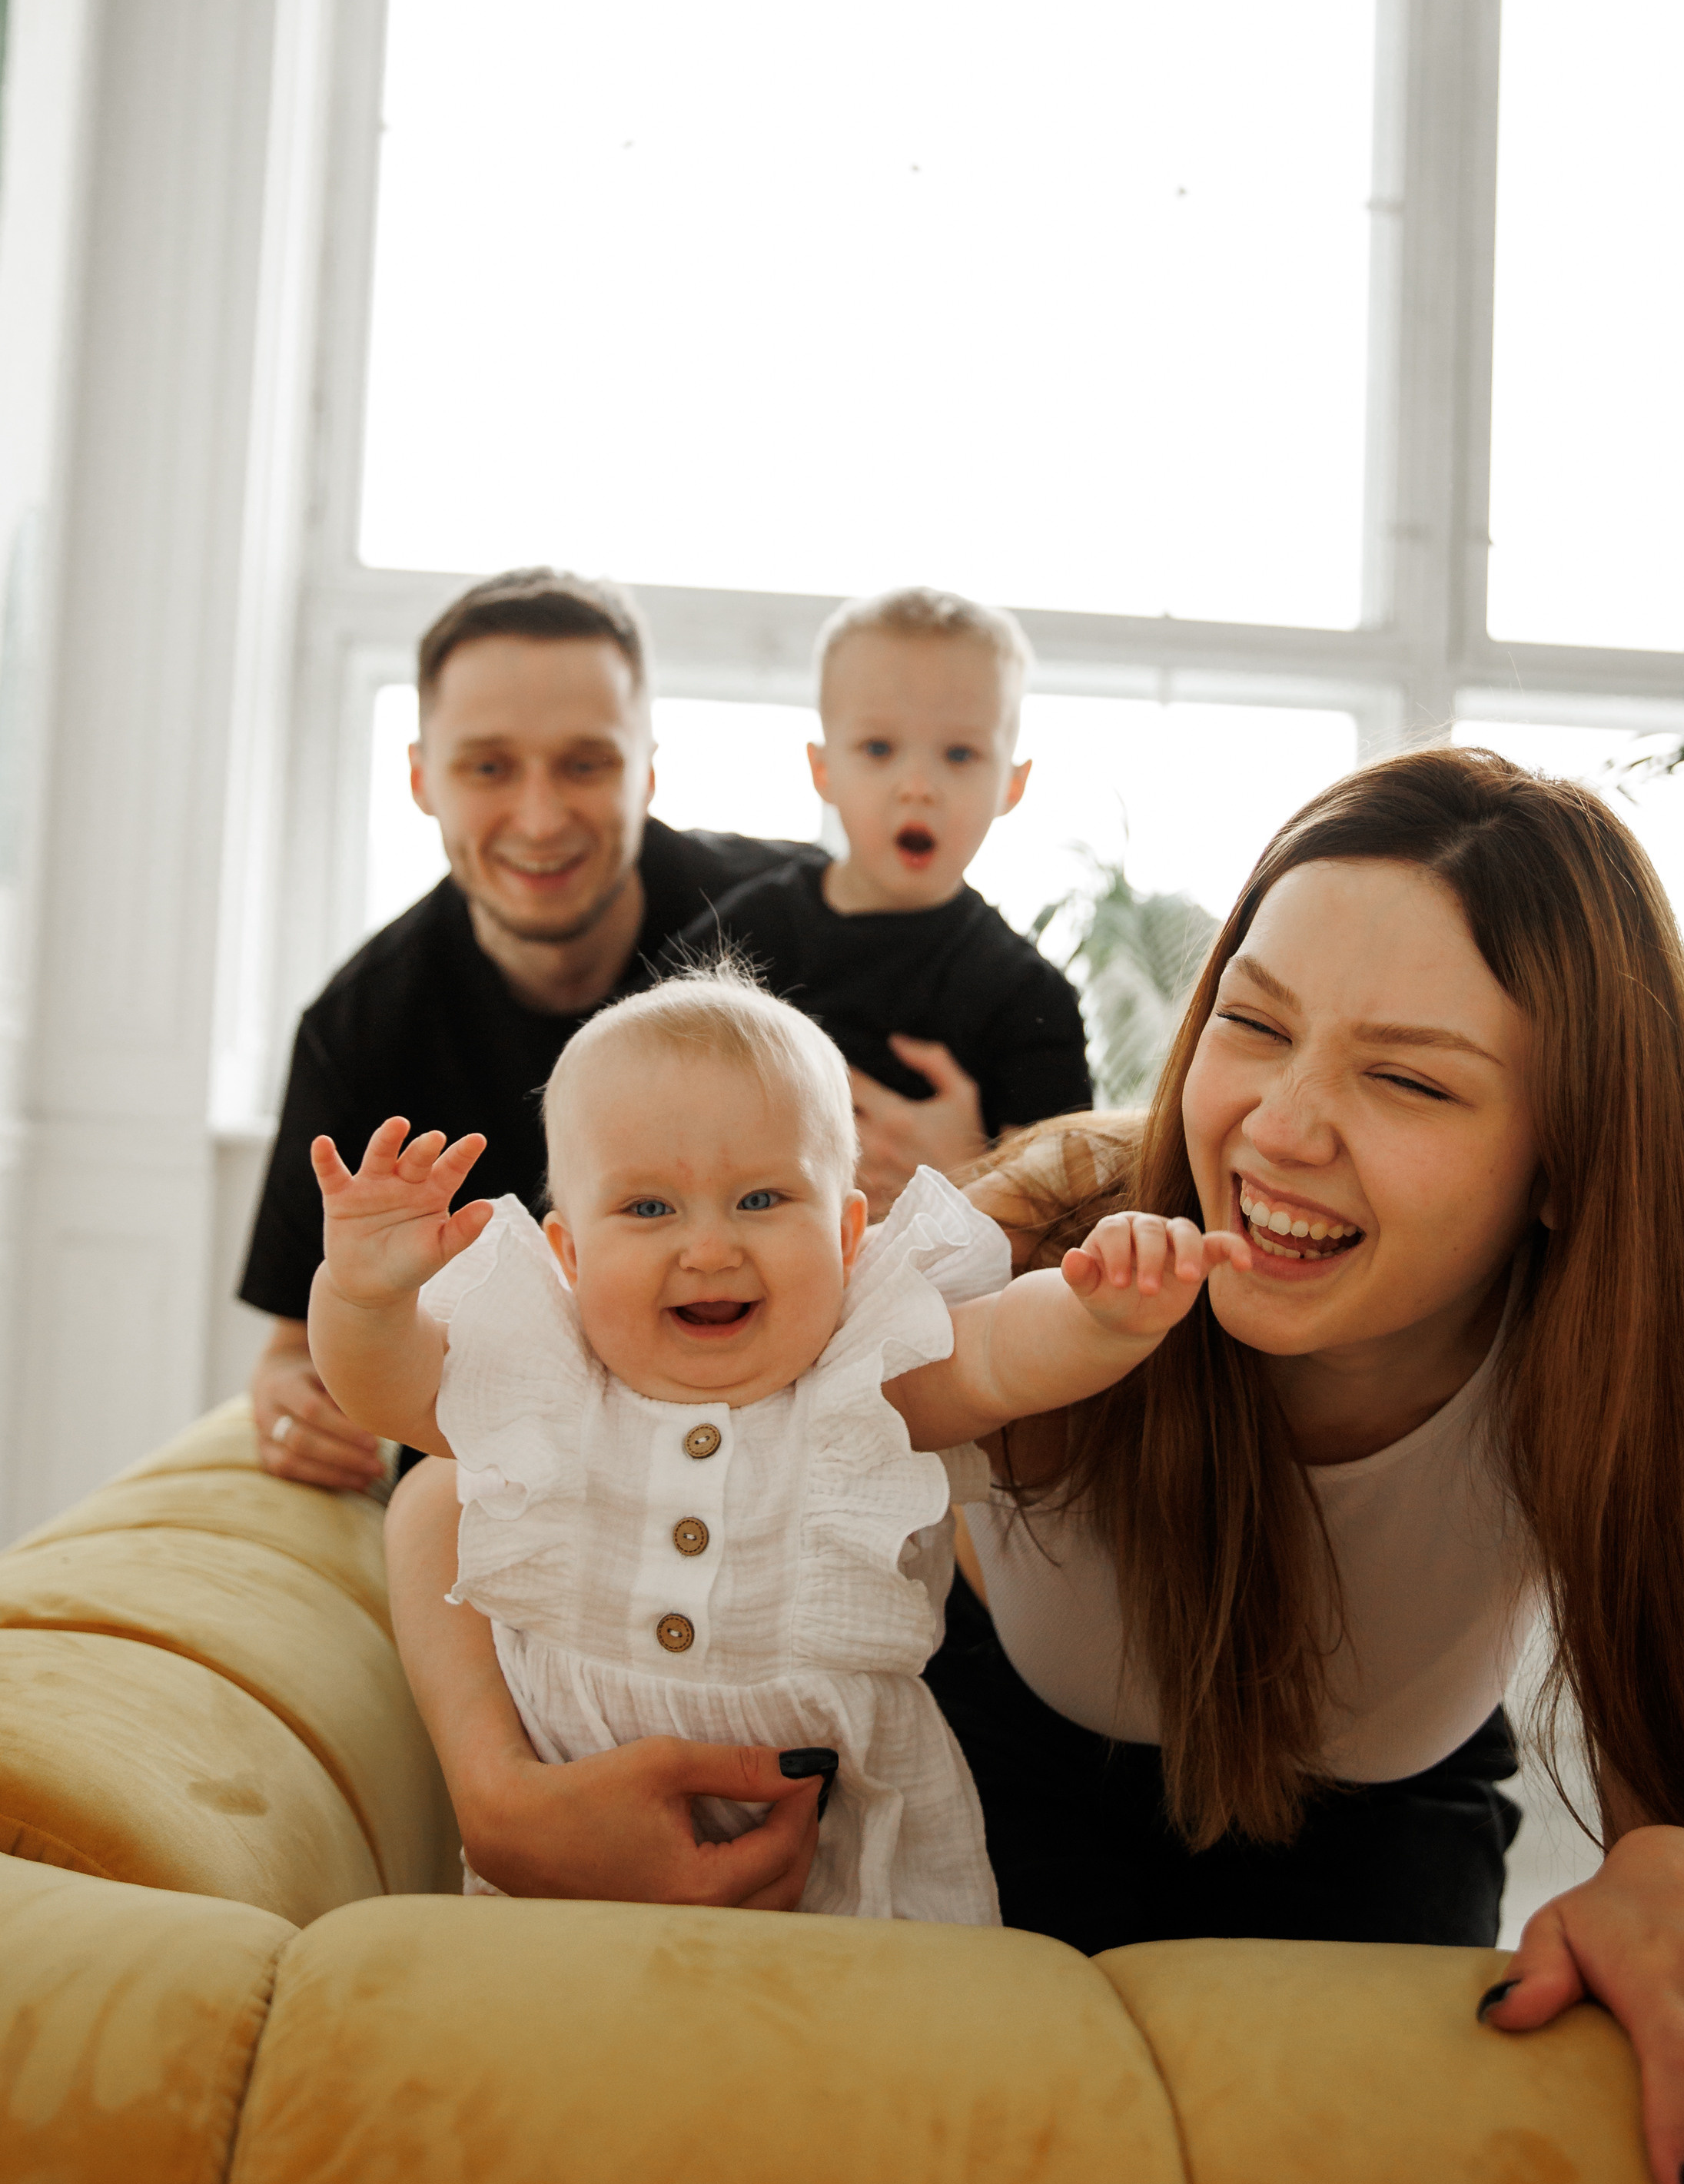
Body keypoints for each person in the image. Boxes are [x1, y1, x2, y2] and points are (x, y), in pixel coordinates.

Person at [381, 745, 1684, 2184]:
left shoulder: (1622, 1358)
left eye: (1404, 1079)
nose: (1278, 1130)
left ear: (1564, 1158)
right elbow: (478, 1467)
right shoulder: (1053, 1233)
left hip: (1381, 1819)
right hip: (1005, 1769)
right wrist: (495, 1793)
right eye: (1251, 1023)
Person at [305, 968, 1236, 1920]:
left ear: (846, 1234)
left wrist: (1100, 1315)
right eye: (648, 1208)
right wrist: (361, 1293)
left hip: (847, 1864)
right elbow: (387, 1386)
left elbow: (999, 1353)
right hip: (576, 1854)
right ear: (569, 1255)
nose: (710, 1248)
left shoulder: (864, 1379)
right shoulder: (544, 1381)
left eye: (760, 1198)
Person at [239, 568, 825, 1492]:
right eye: (488, 766)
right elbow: (291, 1349)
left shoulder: (807, 925)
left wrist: (962, 1150)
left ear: (646, 770)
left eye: (585, 763)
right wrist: (288, 1403)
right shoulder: (359, 1024)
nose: (541, 818)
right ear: (421, 777)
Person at [663, 586, 1090, 1218]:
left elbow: (1067, 1225)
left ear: (1012, 783)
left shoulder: (1028, 997)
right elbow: (628, 1094)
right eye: (879, 749)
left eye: (959, 754)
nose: (917, 787)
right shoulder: (739, 939)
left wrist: (968, 1174)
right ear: (823, 770)